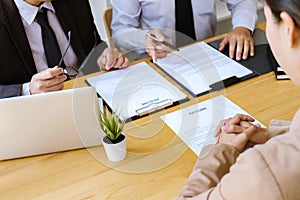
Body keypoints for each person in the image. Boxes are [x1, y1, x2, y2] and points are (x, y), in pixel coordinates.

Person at [177, 0, 300, 199]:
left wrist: (223, 150)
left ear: (288, 29)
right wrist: (268, 135)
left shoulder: (266, 170)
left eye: (266, 19)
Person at [0, 0, 129, 99]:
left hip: (88, 94)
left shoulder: (75, 3)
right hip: (32, 109)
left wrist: (105, 56)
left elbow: (92, 45)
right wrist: (27, 90)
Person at [110, 0, 258, 62]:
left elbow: (242, 1)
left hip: (206, 56)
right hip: (158, 62)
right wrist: (145, 38)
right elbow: (121, 30)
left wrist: (242, 27)